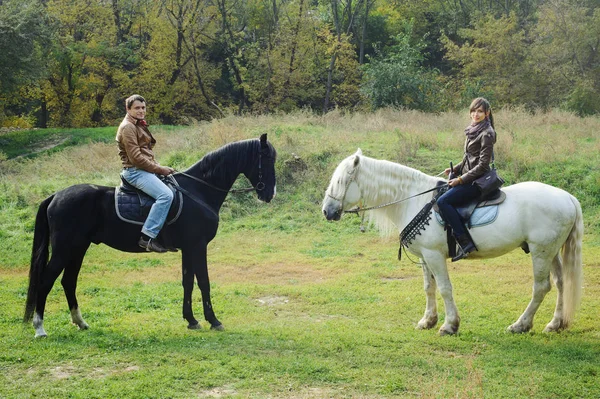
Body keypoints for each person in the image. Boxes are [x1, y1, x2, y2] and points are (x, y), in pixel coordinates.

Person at [436, 97, 497, 262]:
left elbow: (483, 165)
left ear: (487, 113)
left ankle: (464, 242)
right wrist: (455, 169)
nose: (475, 114)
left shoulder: (487, 133)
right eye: (473, 111)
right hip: (469, 177)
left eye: (480, 111)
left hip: (478, 181)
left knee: (443, 202)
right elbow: (469, 157)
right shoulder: (473, 129)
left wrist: (460, 179)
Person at [116, 94, 176, 253]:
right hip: (136, 172)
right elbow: (136, 158)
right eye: (137, 108)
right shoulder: (128, 127)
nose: (141, 111)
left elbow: (145, 152)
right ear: (128, 109)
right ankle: (147, 237)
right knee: (166, 195)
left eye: (143, 107)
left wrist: (159, 166)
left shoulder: (136, 124)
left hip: (144, 169)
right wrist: (160, 169)